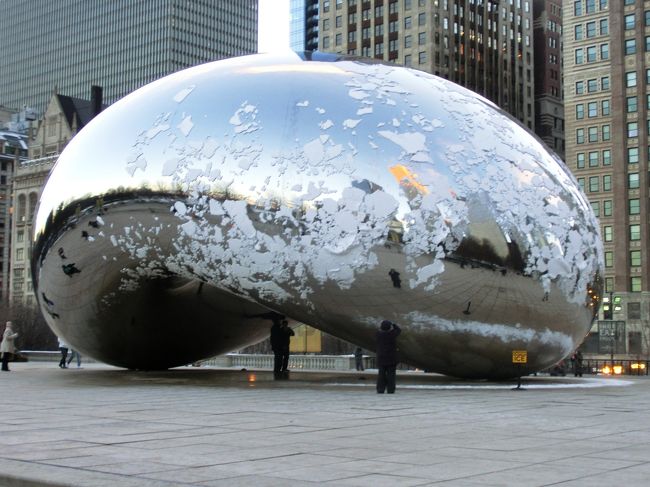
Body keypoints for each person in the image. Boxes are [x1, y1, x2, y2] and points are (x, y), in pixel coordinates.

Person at [376, 320, 401, 393]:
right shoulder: (392, 334)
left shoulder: (378, 334)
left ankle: (380, 389)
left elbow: (378, 330)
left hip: (381, 358)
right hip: (391, 358)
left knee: (381, 375)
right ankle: (390, 389)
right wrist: (393, 324)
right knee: (391, 375)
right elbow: (399, 330)